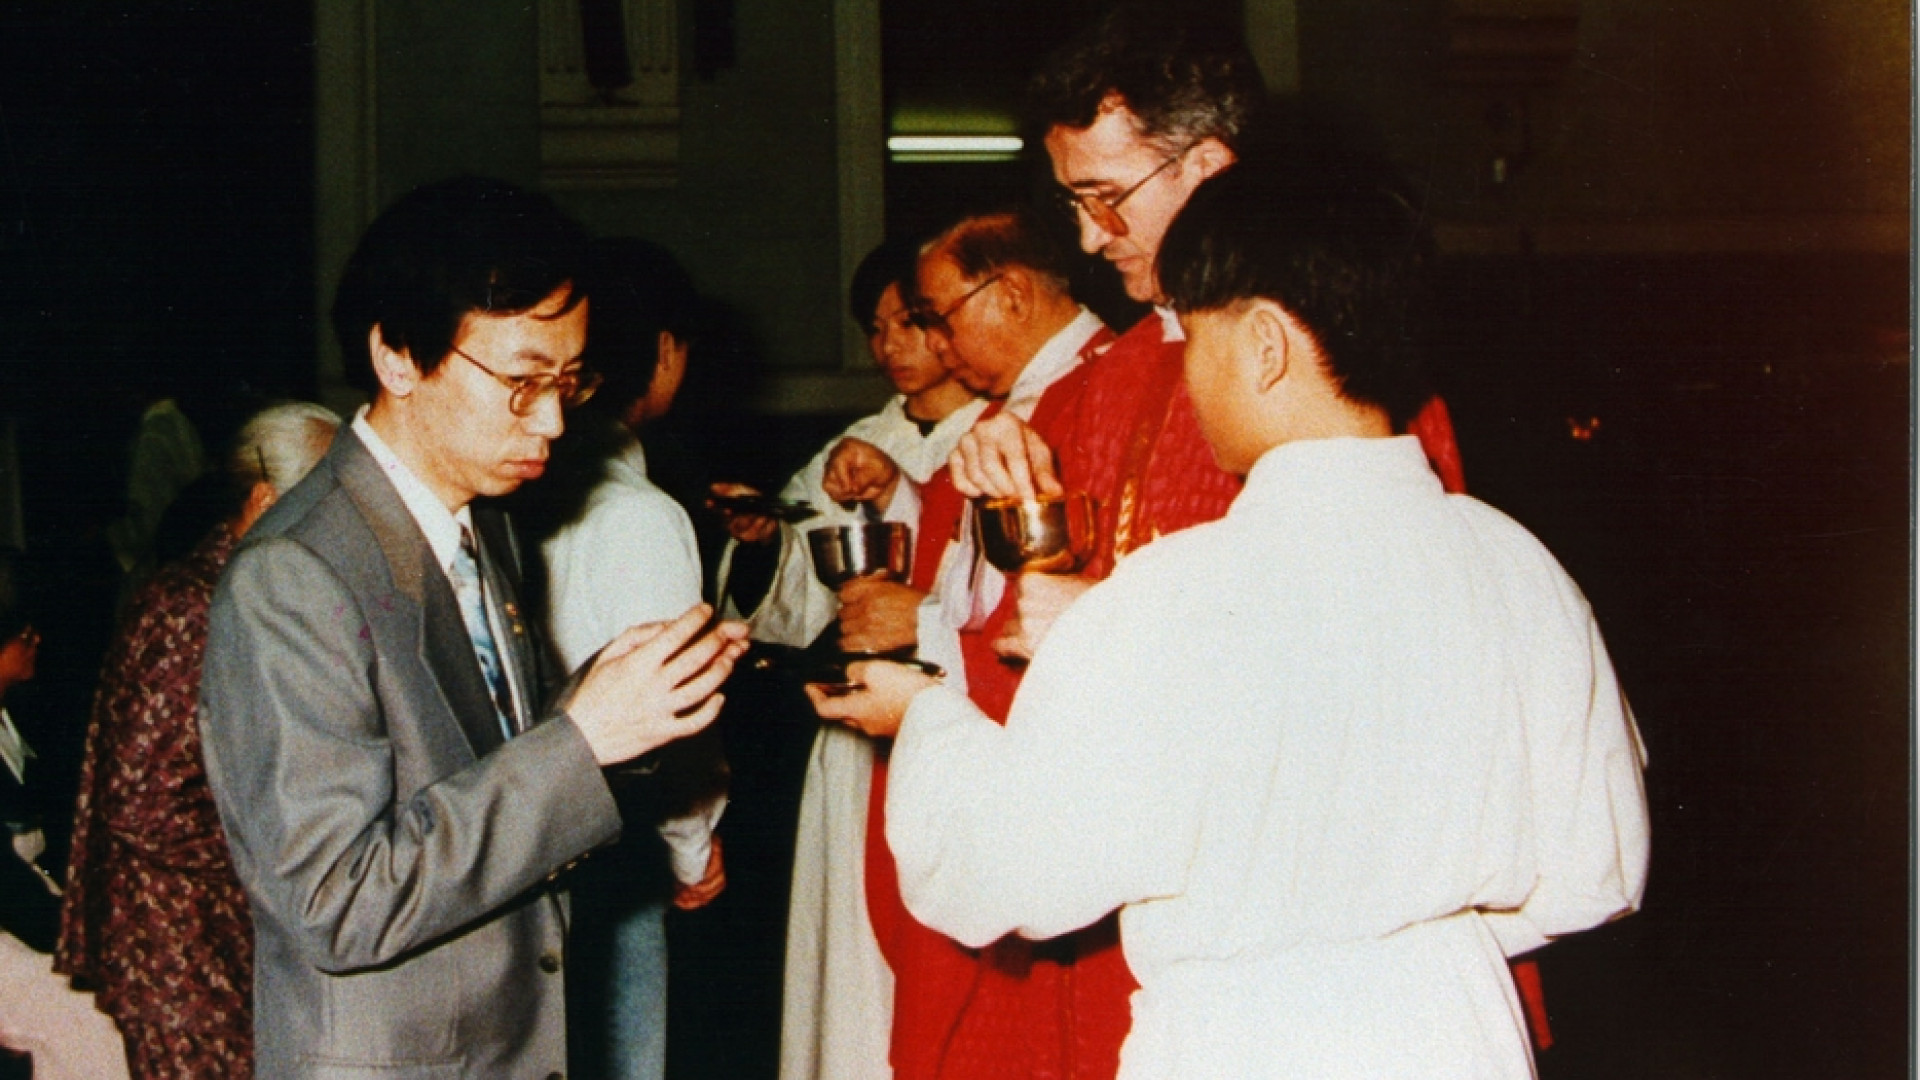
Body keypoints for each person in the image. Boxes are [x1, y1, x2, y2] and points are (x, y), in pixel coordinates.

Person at [815, 161, 1651, 1080]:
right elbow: (1597, 872)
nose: (1187, 372)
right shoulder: (1519, 565)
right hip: (1454, 1026)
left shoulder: (1175, 591)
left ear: (1262, 345)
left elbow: (995, 879)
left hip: (1250, 1037)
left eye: (1194, 340)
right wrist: (1405, 934)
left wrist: (927, 713)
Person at [197, 176, 749, 1080]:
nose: (556, 419)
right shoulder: (294, 579)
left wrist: (627, 697)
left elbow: (473, 764)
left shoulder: (478, 519)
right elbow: (336, 900)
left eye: (570, 382)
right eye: (523, 383)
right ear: (397, 357)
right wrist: (581, 741)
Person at [55, 401, 341, 1079]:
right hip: (175, 952)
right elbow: (143, 806)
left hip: (208, 940)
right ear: (267, 500)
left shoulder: (236, 594)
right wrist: (287, 854)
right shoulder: (191, 606)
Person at [763, 238, 986, 1080]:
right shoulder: (859, 441)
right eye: (876, 327)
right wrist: (765, 545)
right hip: (857, 736)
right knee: (850, 972)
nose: (890, 344)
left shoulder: (999, 430)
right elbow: (798, 594)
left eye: (911, 321)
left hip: (942, 725)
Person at [527, 236, 728, 1080]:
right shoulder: (641, 514)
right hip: (616, 850)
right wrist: (694, 845)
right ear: (667, 354)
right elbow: (669, 717)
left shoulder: (524, 488)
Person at [0, 557, 130, 1080]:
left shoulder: (23, 720)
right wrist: (80, 938)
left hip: (27, 909)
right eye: (21, 633)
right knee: (94, 1017)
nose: (35, 641)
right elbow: (10, 888)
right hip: (10, 925)